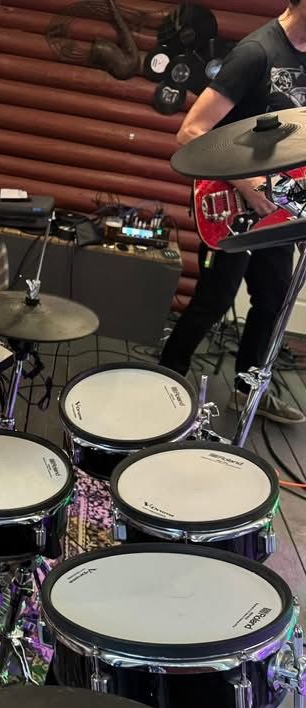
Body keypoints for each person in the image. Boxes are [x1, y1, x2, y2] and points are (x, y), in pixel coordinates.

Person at [159, 0, 306, 424]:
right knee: (214, 299)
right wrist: (247, 184)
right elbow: (191, 131)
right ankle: (165, 380)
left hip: (277, 204)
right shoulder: (256, 52)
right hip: (233, 201)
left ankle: (246, 390)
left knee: (273, 298)